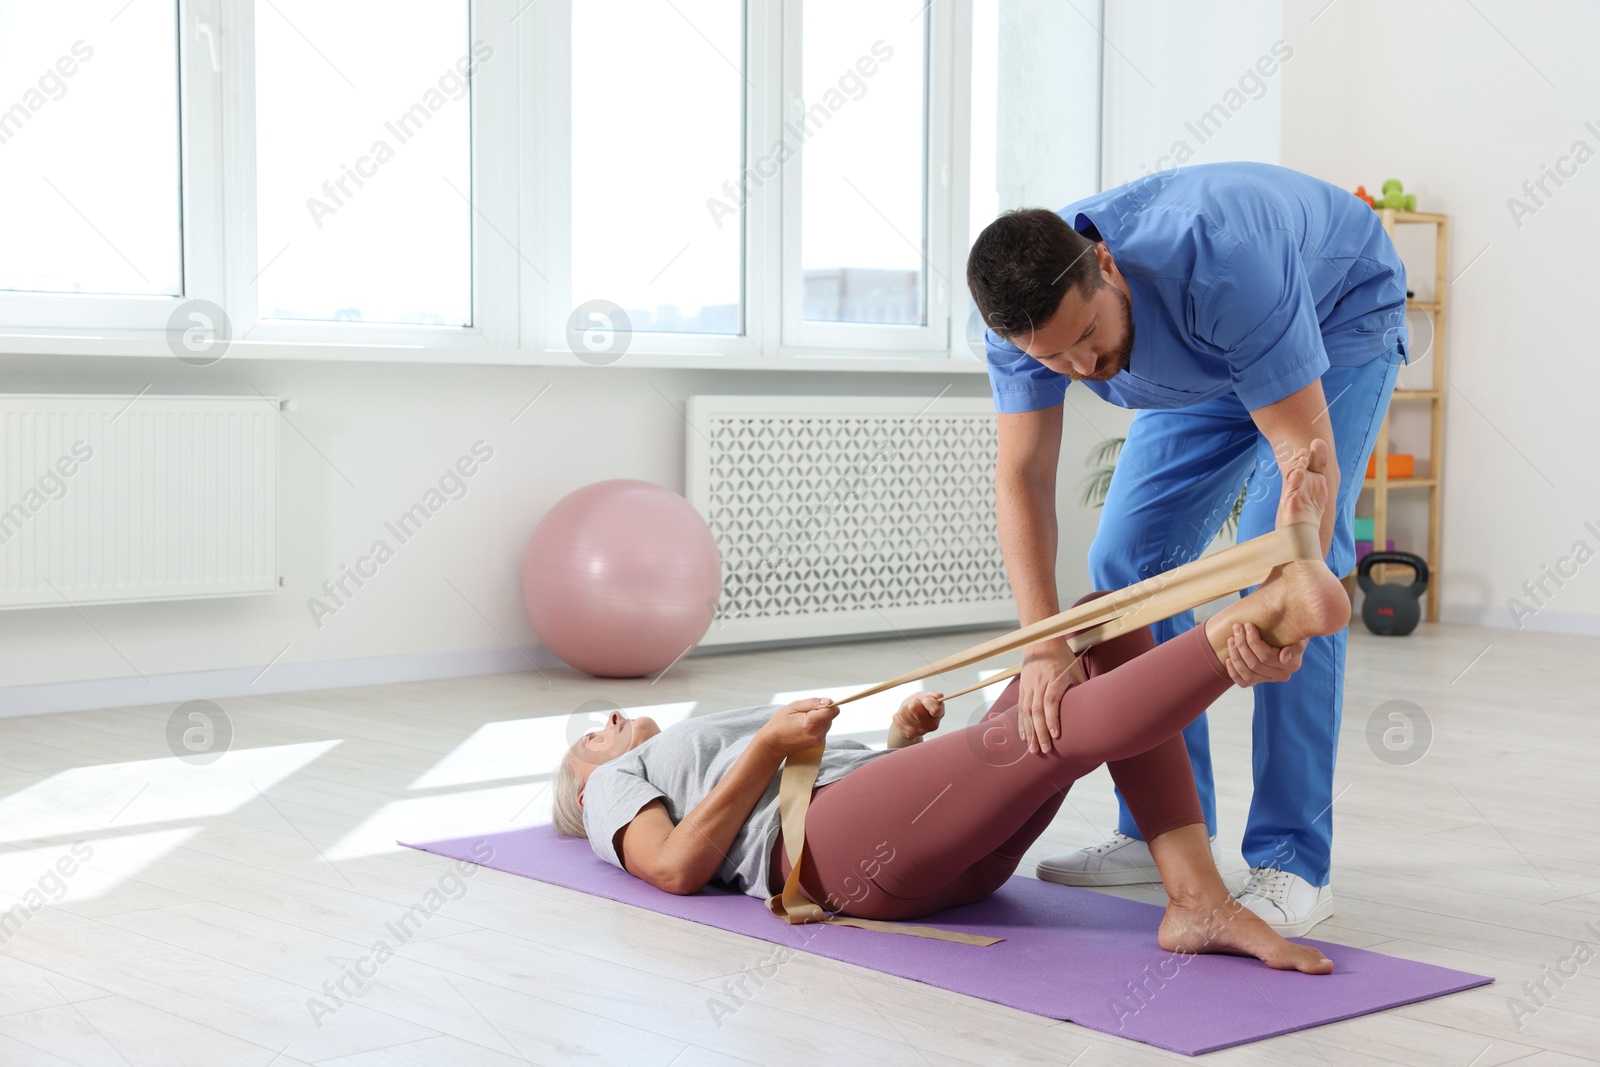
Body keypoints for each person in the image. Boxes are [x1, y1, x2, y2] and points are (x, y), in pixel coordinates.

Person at [550, 445, 1347, 972]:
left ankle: (1198, 898)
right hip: (828, 861)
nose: (606, 725)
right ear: (586, 788)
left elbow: (868, 801)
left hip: (923, 857)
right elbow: (677, 867)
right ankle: (1253, 622)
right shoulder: (614, 787)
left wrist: (899, 742)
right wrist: (765, 744)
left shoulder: (658, 755)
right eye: (589, 739)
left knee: (1098, 622)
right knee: (1057, 730)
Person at [967, 161, 1410, 935]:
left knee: (1286, 573)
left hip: (1337, 314)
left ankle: (1294, 861)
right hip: (1204, 362)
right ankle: (1163, 829)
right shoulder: (1023, 323)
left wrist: (1286, 598)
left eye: (1086, 338)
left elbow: (1296, 454)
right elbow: (1025, 476)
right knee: (1126, 568)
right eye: (1053, 361)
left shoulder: (1222, 258)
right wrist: (1044, 646)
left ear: (1105, 264)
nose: (1080, 370)